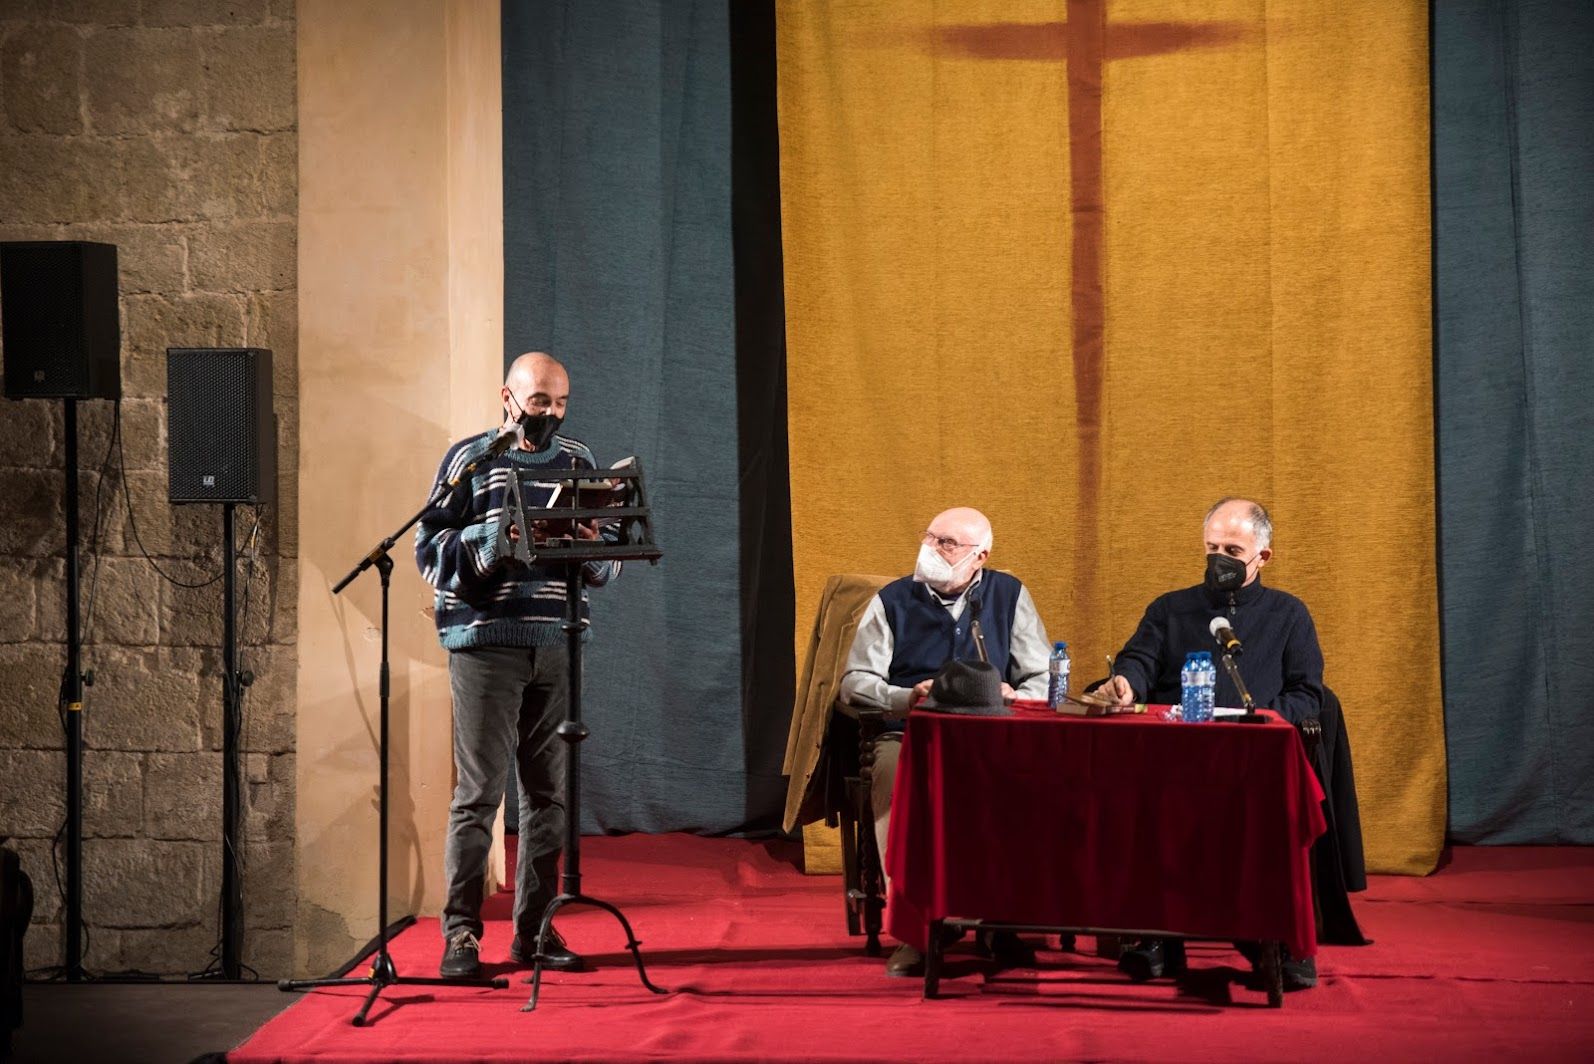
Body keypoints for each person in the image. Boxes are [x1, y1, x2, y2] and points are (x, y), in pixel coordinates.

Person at [415, 351, 620, 979]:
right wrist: (491, 540)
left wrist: (590, 548)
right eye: (539, 402)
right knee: (479, 795)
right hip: (485, 645)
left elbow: (609, 559)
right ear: (508, 399)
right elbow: (429, 550)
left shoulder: (579, 461)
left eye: (560, 403)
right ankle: (461, 935)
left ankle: (534, 932)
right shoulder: (470, 460)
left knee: (548, 795)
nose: (551, 415)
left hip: (557, 642)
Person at [1099, 496, 1326, 989]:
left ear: (1263, 556)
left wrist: (1262, 720)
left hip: (1252, 759)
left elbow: (1308, 693)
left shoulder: (1289, 614)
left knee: (1272, 810)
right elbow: (1139, 660)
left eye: (1232, 550)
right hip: (1174, 758)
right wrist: (1126, 683)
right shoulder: (1170, 608)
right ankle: (1155, 934)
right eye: (1212, 548)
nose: (1219, 559)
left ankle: (1276, 938)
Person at [839, 506, 1051, 977]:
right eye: (930, 537)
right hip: (909, 732)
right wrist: (903, 698)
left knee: (1029, 783)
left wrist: (1016, 694)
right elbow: (854, 682)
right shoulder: (892, 600)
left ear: (980, 556)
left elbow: (1041, 675)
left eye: (947, 543)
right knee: (893, 779)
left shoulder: (1009, 595)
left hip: (989, 734)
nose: (931, 549)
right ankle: (915, 929)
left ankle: (1001, 921)